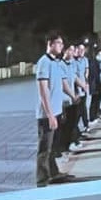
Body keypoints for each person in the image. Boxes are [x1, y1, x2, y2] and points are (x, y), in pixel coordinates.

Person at [34, 31, 67, 186]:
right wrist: (50, 115)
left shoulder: (55, 62)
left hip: (56, 111)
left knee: (53, 147)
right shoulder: (43, 63)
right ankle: (41, 179)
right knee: (44, 148)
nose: (62, 46)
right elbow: (43, 90)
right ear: (50, 44)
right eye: (59, 43)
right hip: (47, 114)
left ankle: (54, 173)